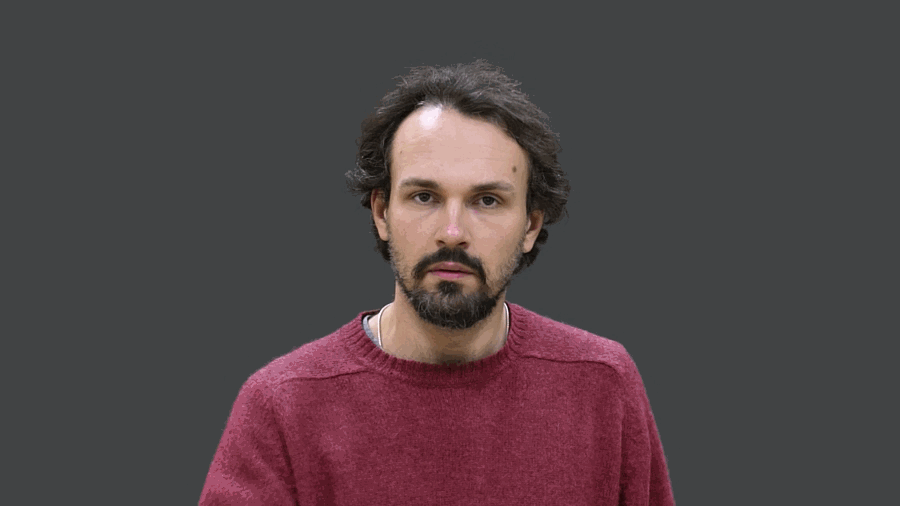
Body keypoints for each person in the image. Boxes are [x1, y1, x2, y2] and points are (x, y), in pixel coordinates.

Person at [199, 60, 675, 505]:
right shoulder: (282, 406)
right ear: (382, 212)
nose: (452, 232)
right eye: (424, 196)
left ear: (531, 226)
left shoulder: (603, 383)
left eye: (487, 201)